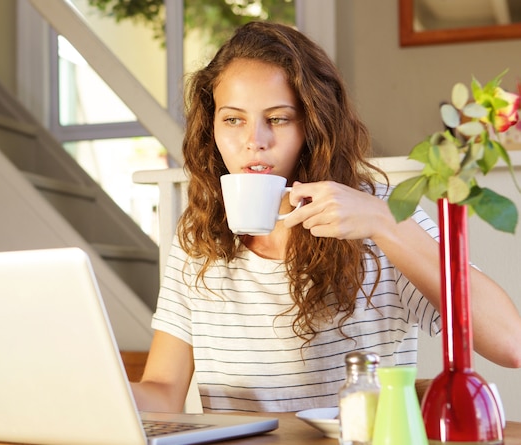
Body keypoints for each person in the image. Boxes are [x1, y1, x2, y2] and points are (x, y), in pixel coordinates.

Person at [130, 21, 521, 413]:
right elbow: (163, 389)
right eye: (233, 119)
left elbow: (510, 344)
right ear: (210, 128)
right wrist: (83, 388)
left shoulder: (377, 211)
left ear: (313, 126)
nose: (255, 140)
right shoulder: (199, 234)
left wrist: (384, 223)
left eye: (278, 118)